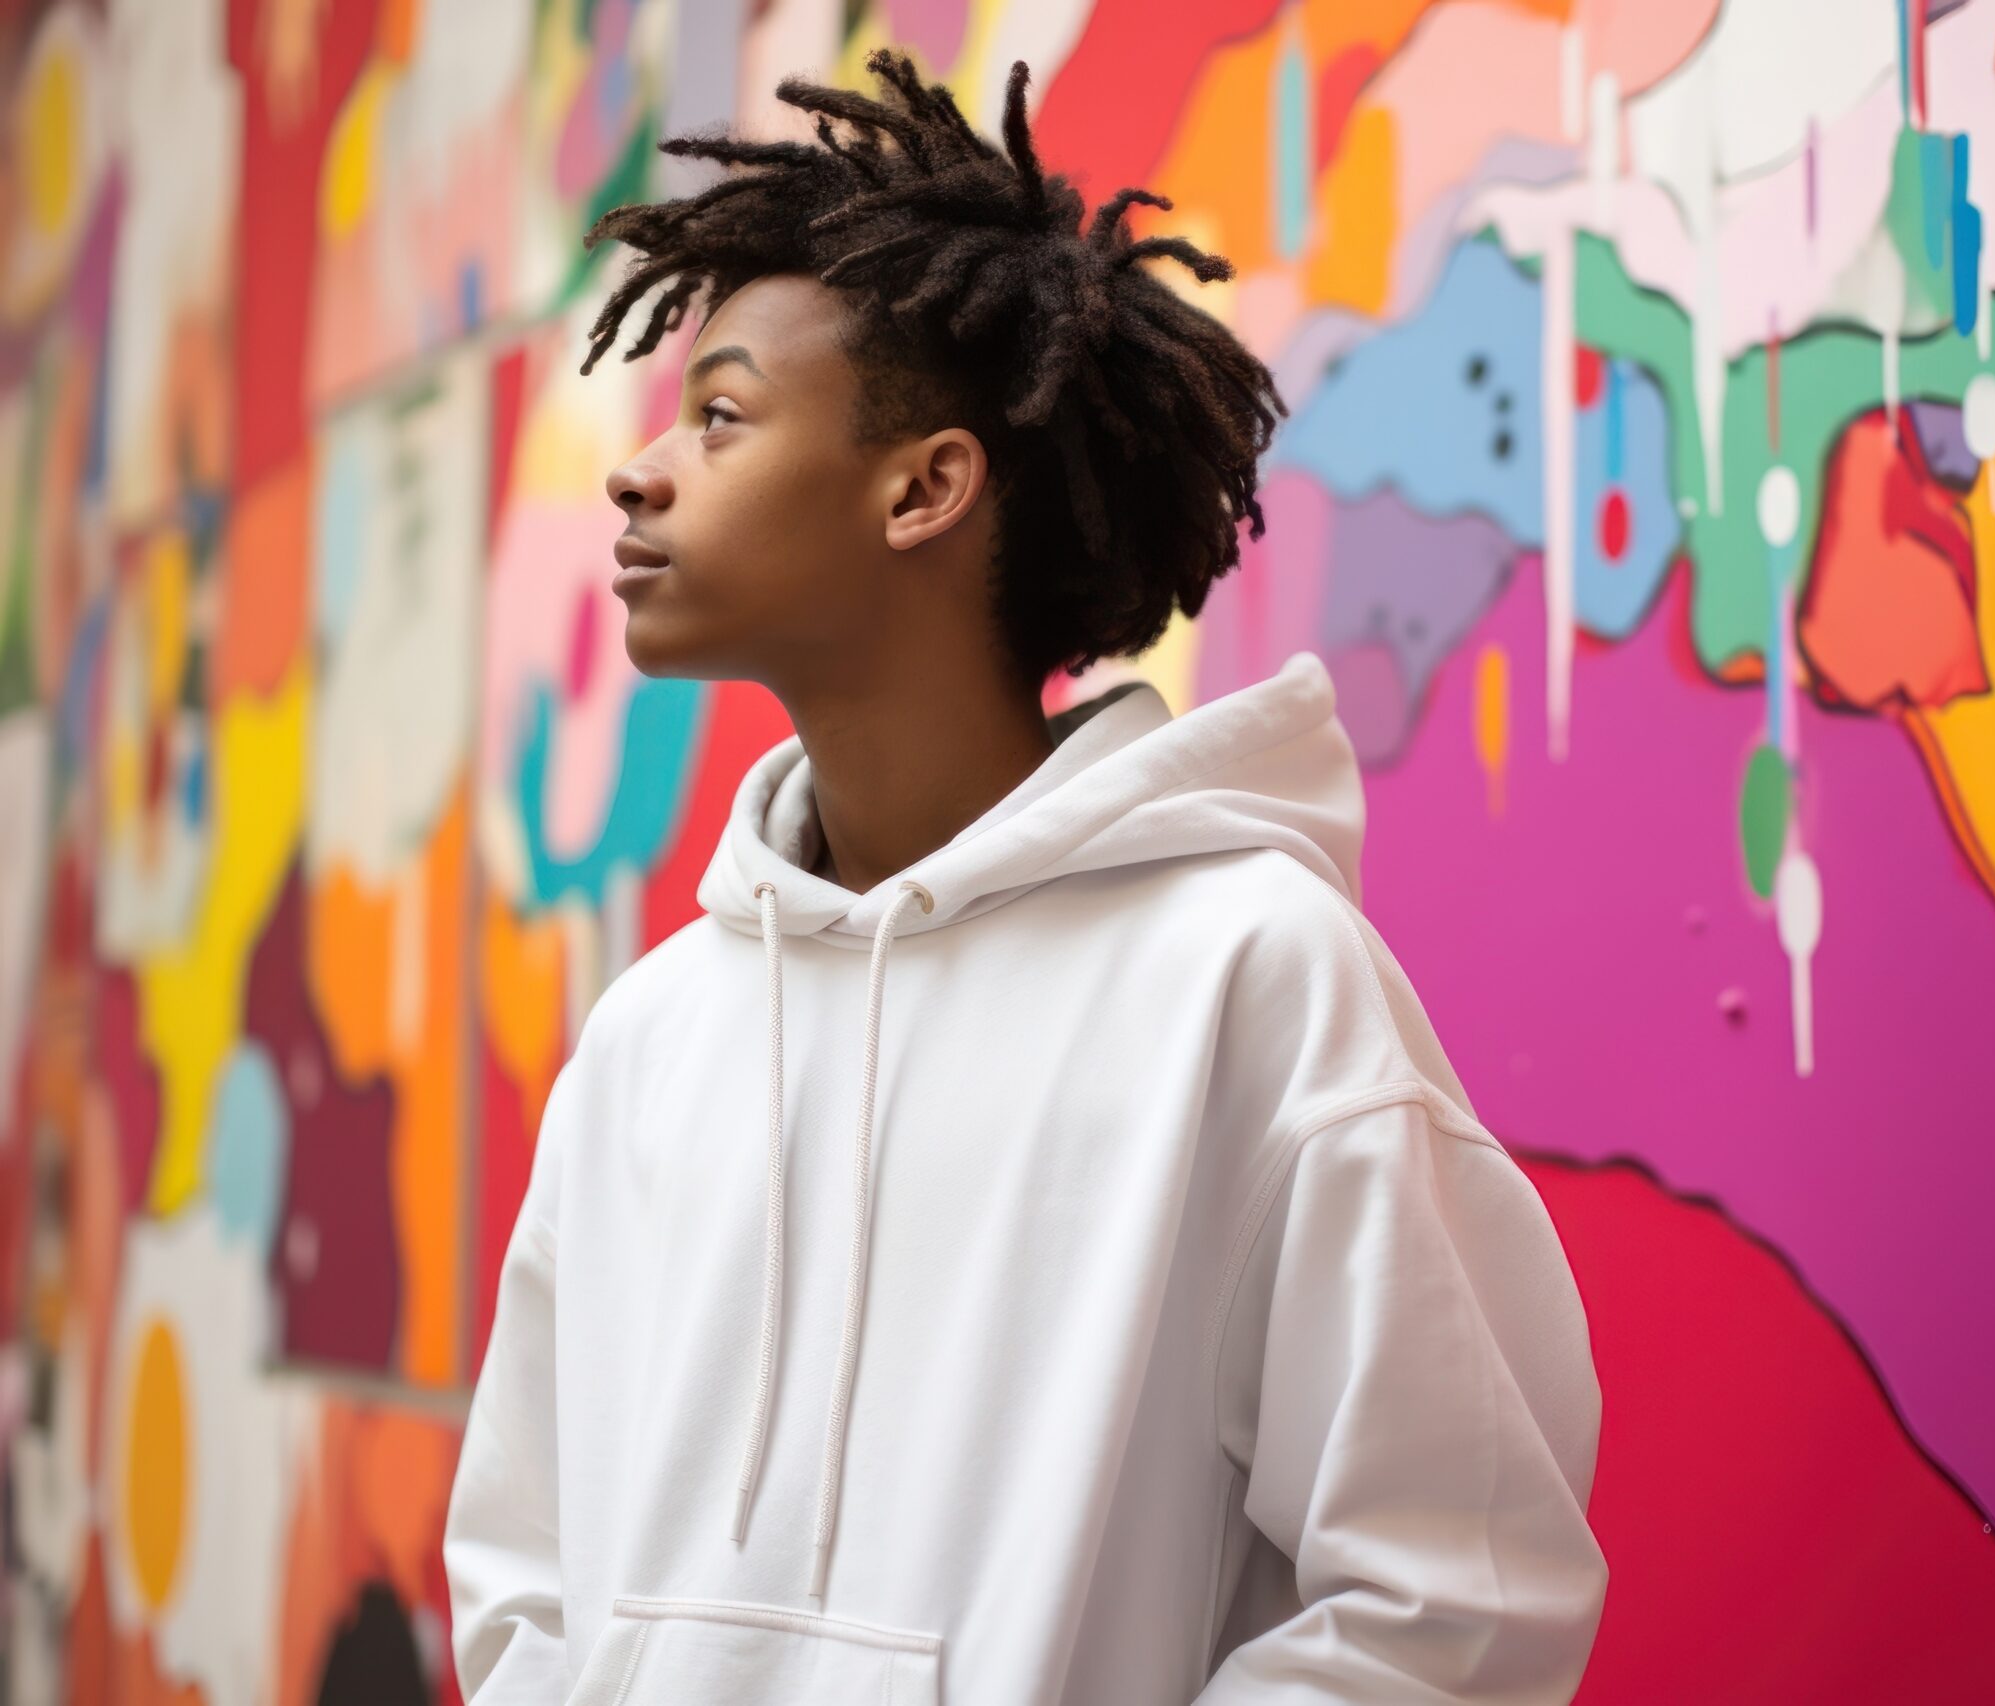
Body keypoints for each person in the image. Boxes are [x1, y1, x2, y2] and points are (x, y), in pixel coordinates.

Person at [443, 50, 1605, 1705]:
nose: (638, 473)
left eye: (719, 413)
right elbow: (521, 1582)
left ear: (926, 486)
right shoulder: (646, 1042)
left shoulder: (1246, 976)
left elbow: (1454, 1597)